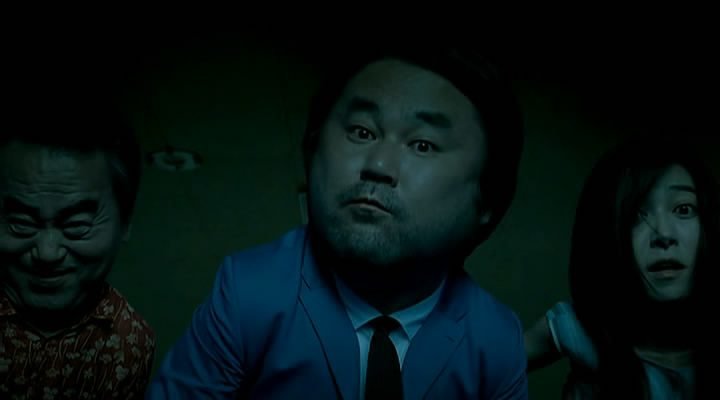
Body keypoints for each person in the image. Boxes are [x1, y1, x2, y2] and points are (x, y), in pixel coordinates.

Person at [148, 44, 528, 399]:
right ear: (312, 148)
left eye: (422, 145)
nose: (378, 165)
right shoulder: (248, 292)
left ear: (487, 200)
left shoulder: (495, 340)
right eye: (362, 132)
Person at [524, 135, 717, 398]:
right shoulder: (579, 328)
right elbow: (474, 369)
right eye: (636, 213)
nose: (663, 234)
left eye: (683, 209)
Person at [0, 104, 156, 398]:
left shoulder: (127, 343)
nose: (47, 253)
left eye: (77, 225)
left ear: (125, 222)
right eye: (21, 223)